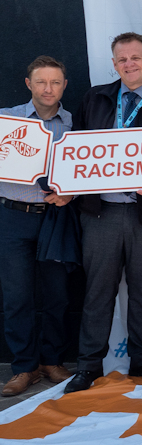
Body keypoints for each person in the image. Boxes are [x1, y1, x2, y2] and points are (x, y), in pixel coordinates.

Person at [65, 32, 142, 394]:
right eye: (122, 60)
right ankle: (89, 365)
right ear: (114, 64)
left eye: (135, 58)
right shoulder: (96, 98)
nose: (129, 64)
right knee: (97, 291)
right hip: (101, 212)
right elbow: (77, 151)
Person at [0, 56, 76, 396]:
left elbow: (84, 174)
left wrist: (70, 196)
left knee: (56, 295)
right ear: (29, 84)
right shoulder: (6, 120)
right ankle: (24, 368)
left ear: (64, 86)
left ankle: (51, 360)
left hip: (55, 219)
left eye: (56, 82)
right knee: (17, 296)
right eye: (42, 82)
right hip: (12, 215)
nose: (49, 88)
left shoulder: (74, 126)